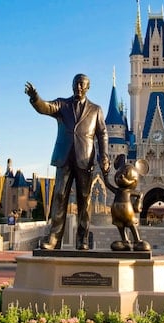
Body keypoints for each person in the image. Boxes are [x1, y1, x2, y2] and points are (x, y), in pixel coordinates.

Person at [25, 74, 110, 250]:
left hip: (85, 159)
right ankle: (54, 238)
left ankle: (82, 239)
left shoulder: (96, 110)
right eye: (76, 84)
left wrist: (104, 155)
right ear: (71, 85)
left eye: (82, 84)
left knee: (84, 201)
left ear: (88, 87)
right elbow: (45, 107)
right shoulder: (62, 104)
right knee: (59, 196)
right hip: (64, 158)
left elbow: (102, 134)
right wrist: (35, 98)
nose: (78, 87)